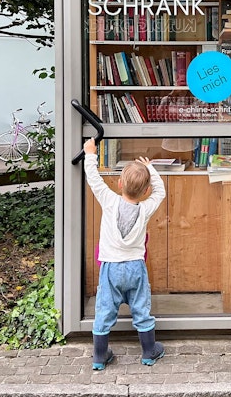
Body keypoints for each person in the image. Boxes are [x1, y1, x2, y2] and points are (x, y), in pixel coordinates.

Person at [83, 138, 167, 370]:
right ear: (146, 190)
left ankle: (100, 356)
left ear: (119, 184)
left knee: (105, 310)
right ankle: (149, 352)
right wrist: (150, 168)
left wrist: (90, 153)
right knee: (141, 308)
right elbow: (160, 192)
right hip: (135, 268)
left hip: (111, 268)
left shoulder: (109, 201)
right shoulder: (146, 208)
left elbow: (94, 179)